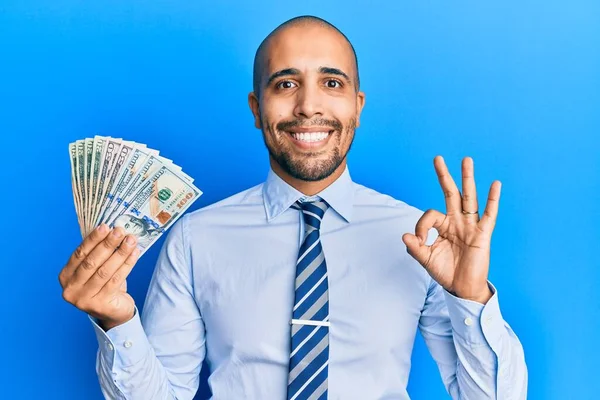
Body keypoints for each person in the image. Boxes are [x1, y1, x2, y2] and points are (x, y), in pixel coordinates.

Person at [58, 15, 527, 400]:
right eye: (285, 84)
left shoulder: (420, 239)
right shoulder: (195, 239)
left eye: (331, 82)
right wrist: (116, 320)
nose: (308, 106)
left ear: (357, 106)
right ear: (256, 108)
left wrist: (470, 296)